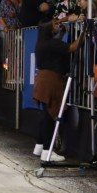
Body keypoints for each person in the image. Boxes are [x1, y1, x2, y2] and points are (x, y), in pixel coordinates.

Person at [33, 19, 85, 162]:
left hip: (42, 80)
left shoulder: (42, 43)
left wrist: (61, 31)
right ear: (50, 30)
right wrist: (84, 32)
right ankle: (47, 151)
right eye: (54, 25)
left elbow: (58, 46)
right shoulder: (52, 44)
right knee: (50, 116)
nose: (57, 26)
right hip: (51, 81)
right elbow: (72, 47)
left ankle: (39, 145)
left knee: (45, 115)